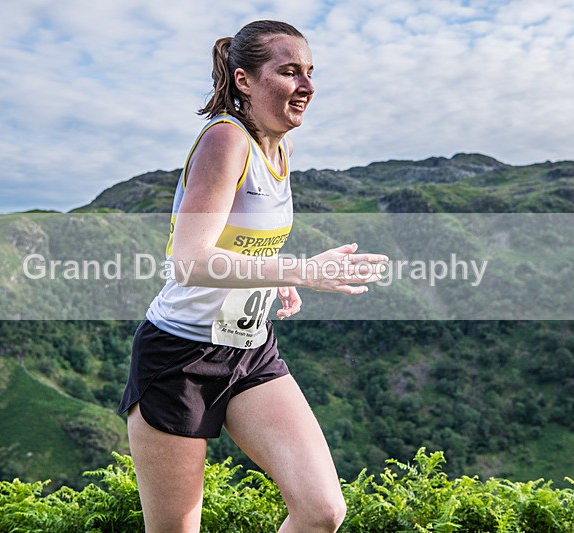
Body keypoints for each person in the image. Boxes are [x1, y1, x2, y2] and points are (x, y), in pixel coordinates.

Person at [118, 20, 388, 532]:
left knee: (321, 510)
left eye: (309, 72)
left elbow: (241, 237)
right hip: (180, 357)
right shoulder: (226, 140)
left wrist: (272, 279)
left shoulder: (279, 149)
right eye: (289, 72)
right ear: (244, 81)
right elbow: (189, 260)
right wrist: (302, 271)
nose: (306, 86)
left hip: (251, 352)